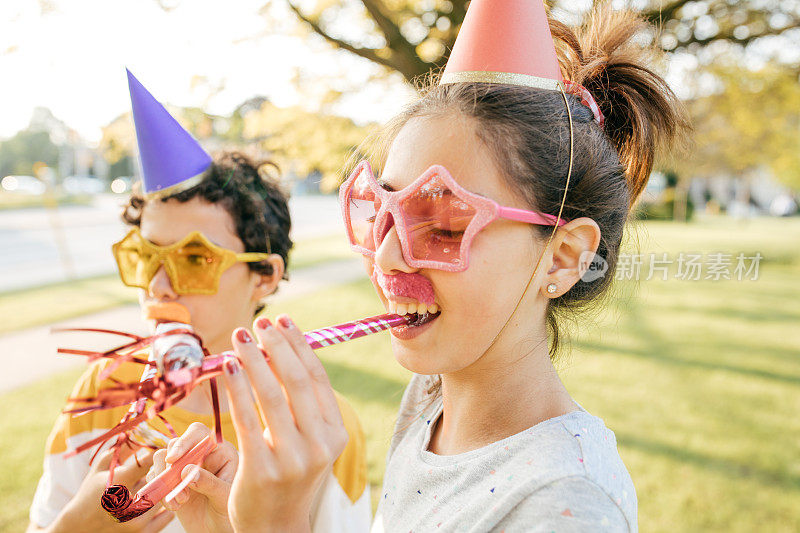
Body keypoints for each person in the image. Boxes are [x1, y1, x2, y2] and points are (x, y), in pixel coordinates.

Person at [154, 2, 687, 531]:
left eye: (445, 223)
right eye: (378, 212)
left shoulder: (566, 506)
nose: (386, 255)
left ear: (564, 256)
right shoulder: (432, 397)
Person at [27, 72, 370, 533]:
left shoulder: (317, 429)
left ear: (264, 277)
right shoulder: (102, 390)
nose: (159, 286)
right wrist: (77, 527)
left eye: (193, 259)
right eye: (146, 257)